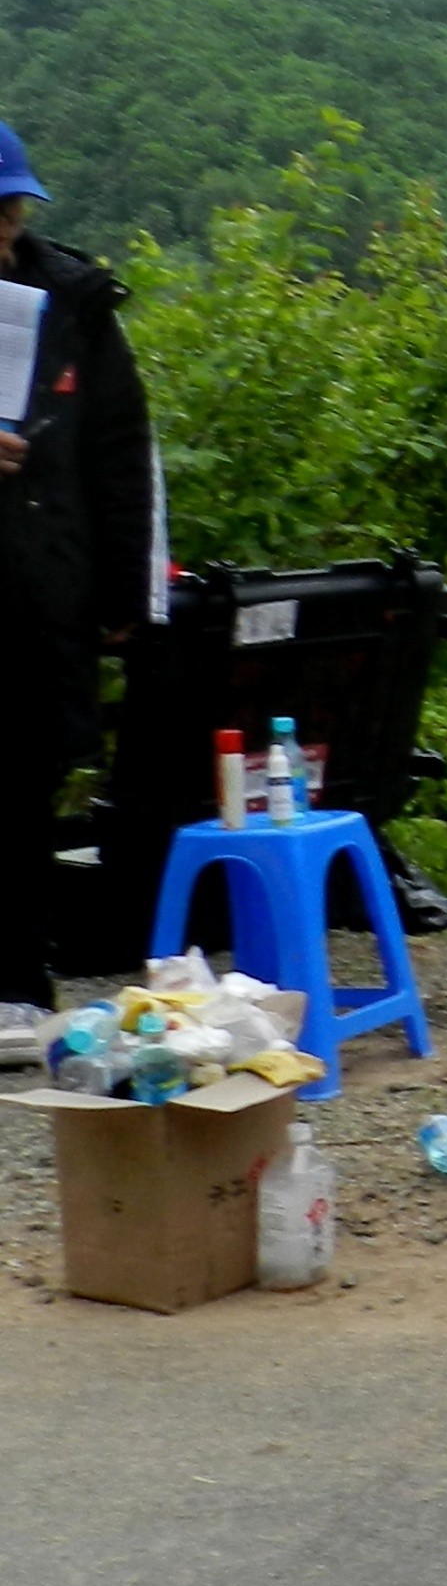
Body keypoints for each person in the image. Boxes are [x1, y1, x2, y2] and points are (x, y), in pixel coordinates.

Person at [0, 124, 162, 1065]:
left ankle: (20, 990)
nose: (11, 219)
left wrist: (121, 592)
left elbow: (116, 452)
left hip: (39, 592)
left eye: (17, 201)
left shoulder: (72, 301)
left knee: (23, 791)